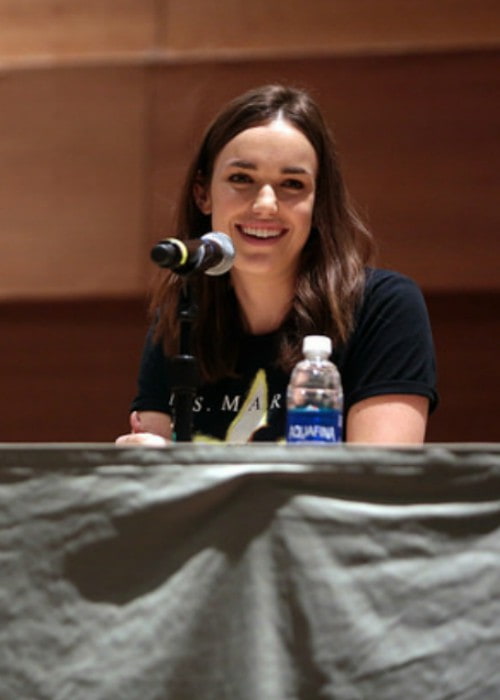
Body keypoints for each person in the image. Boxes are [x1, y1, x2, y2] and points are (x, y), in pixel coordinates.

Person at [116, 84, 438, 446]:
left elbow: (377, 483)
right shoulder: (183, 313)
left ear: (319, 204)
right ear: (203, 194)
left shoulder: (383, 308)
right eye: (242, 179)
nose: (265, 205)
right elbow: (152, 483)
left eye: (292, 184)